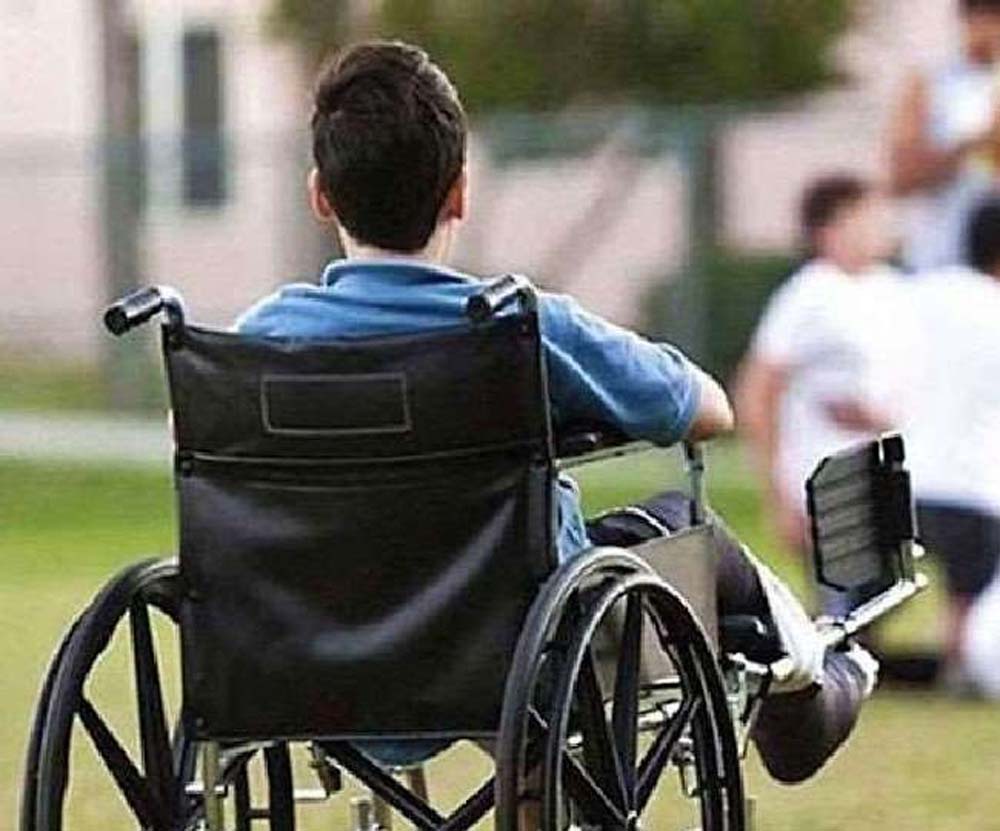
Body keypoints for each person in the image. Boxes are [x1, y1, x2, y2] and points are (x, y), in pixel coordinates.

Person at [235, 41, 877, 785]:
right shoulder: (519, 326)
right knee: (682, 524)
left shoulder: (256, 344)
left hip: (314, 645)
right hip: (512, 648)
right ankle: (811, 680)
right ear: (460, 193)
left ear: (320, 196)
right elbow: (709, 409)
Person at [736, 175, 911, 586]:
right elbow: (757, 391)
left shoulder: (892, 289)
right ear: (830, 229)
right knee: (843, 597)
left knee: (887, 589)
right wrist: (776, 491)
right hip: (826, 472)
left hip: (884, 471)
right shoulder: (808, 296)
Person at [906, 199, 1000, 685]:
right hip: (972, 483)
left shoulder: (925, 292)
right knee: (967, 599)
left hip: (903, 475)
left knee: (870, 594)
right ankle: (956, 669)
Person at [888, 0, 1000, 272]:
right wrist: (976, 142)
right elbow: (900, 180)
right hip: (940, 260)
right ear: (971, 19)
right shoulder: (931, 81)